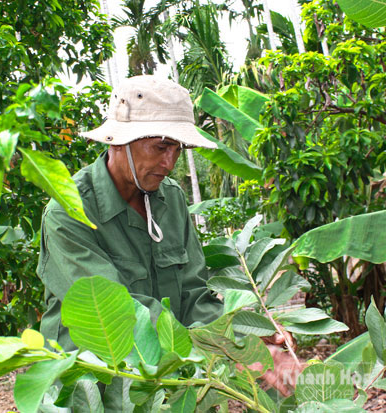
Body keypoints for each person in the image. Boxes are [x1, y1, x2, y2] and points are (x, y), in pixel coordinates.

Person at [37, 75, 300, 404]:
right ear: (119, 141)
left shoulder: (171, 199)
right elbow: (116, 313)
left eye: (178, 148)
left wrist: (249, 335)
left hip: (164, 386)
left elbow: (193, 298)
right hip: (92, 390)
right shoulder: (69, 212)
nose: (170, 162)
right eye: (161, 146)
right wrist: (234, 348)